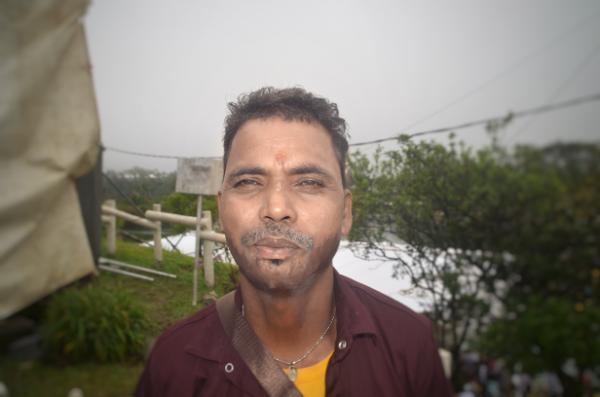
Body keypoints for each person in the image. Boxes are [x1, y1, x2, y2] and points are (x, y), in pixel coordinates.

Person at [134, 87, 452, 396]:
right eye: (248, 182)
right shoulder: (174, 365)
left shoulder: (408, 344)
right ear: (221, 209)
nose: (276, 209)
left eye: (309, 182)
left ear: (345, 212)